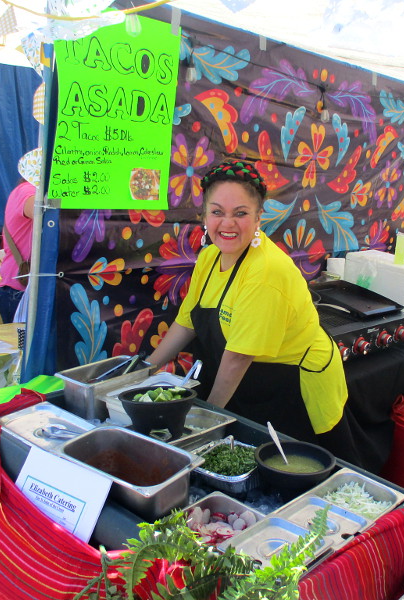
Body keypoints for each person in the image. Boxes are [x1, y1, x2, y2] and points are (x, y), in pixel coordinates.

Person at [146, 160, 362, 465]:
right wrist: (141, 372)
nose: (227, 224)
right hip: (251, 377)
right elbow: (186, 324)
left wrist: (203, 426)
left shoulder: (265, 272)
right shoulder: (209, 257)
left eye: (240, 213)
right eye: (217, 212)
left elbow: (237, 358)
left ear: (259, 217)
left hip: (295, 383)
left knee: (301, 469)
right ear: (204, 216)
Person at [0, 179, 36, 323]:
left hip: (36, 290)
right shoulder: (27, 190)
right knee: (20, 338)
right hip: (19, 292)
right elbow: (42, 210)